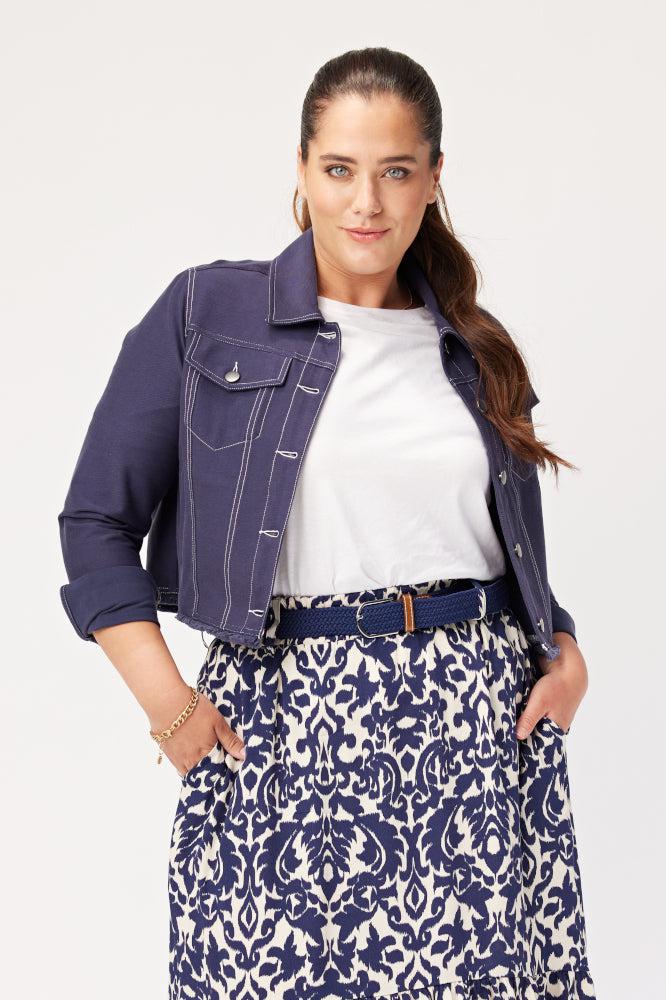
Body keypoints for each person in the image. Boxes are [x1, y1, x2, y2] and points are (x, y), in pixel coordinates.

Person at [57, 46, 597, 1000]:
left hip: (472, 734)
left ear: (434, 178)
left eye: (397, 171)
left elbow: (497, 544)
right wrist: (168, 704)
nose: (367, 203)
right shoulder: (208, 312)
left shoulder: (475, 350)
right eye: (340, 169)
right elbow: (96, 520)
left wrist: (563, 648)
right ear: (301, 169)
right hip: (285, 724)